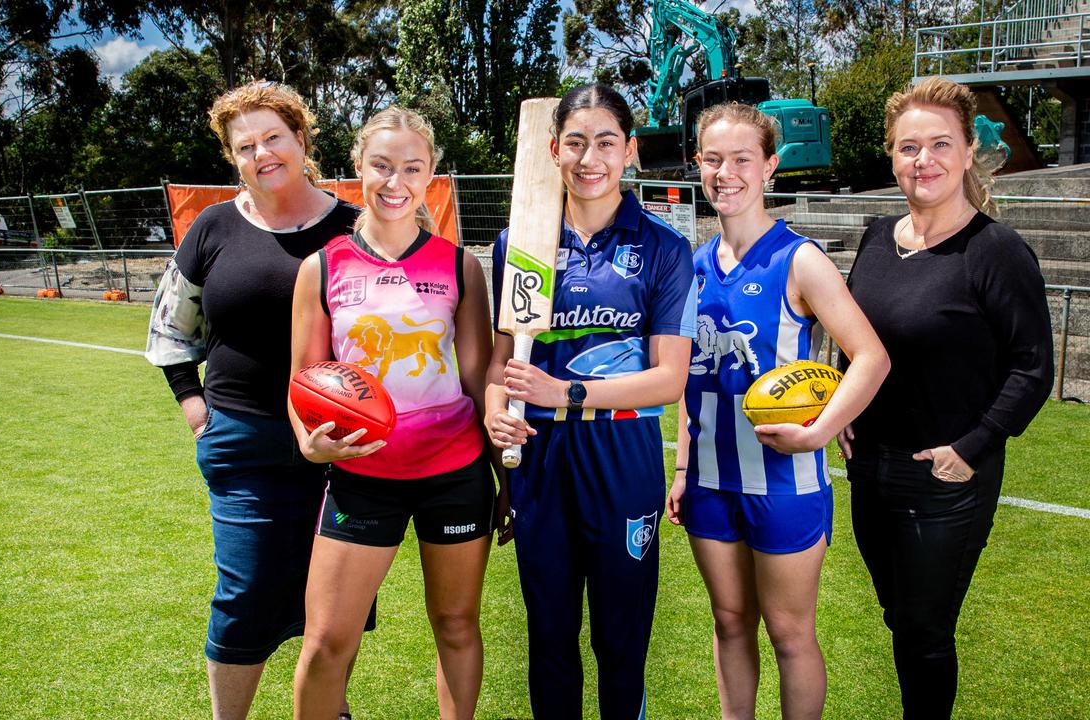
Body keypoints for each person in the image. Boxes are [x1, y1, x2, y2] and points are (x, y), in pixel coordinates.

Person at [145, 81, 370, 720]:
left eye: (273, 137)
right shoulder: (214, 226)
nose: (262, 153)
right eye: (245, 146)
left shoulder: (355, 228)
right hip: (244, 439)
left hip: (341, 445)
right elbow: (169, 327)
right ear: (232, 158)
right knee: (245, 593)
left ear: (301, 138)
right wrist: (194, 405)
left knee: (335, 602)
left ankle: (330, 708)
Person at [664, 103, 889, 720]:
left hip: (786, 482)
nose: (725, 173)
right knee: (730, 623)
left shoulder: (800, 259)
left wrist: (820, 429)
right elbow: (690, 381)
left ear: (770, 166)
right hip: (710, 481)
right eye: (713, 159)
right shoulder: (691, 266)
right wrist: (683, 469)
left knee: (790, 635)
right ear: (698, 166)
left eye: (741, 159)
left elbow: (871, 357)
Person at [841, 76, 1054, 719]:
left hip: (946, 477)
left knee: (925, 631)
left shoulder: (996, 251)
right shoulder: (878, 237)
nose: (923, 160)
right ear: (893, 155)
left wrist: (971, 447)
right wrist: (839, 408)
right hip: (870, 468)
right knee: (897, 617)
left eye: (940, 145)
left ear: (967, 152)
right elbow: (855, 338)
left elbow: (1032, 369)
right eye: (910, 147)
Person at [484, 84, 697, 719]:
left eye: (606, 142)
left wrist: (566, 392)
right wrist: (497, 405)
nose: (589, 157)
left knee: (620, 637)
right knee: (549, 636)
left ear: (629, 151)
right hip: (540, 461)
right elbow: (502, 361)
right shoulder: (517, 244)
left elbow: (669, 379)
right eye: (574, 142)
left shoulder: (663, 247)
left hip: (622, 458)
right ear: (552, 150)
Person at [288, 106, 497, 720]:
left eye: (411, 167)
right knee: (327, 644)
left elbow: (477, 378)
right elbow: (303, 378)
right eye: (381, 166)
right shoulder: (322, 267)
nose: (395, 181)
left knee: (457, 626)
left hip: (454, 474)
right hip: (361, 475)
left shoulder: (460, 265)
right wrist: (309, 444)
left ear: (430, 173)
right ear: (358, 168)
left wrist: (506, 477)